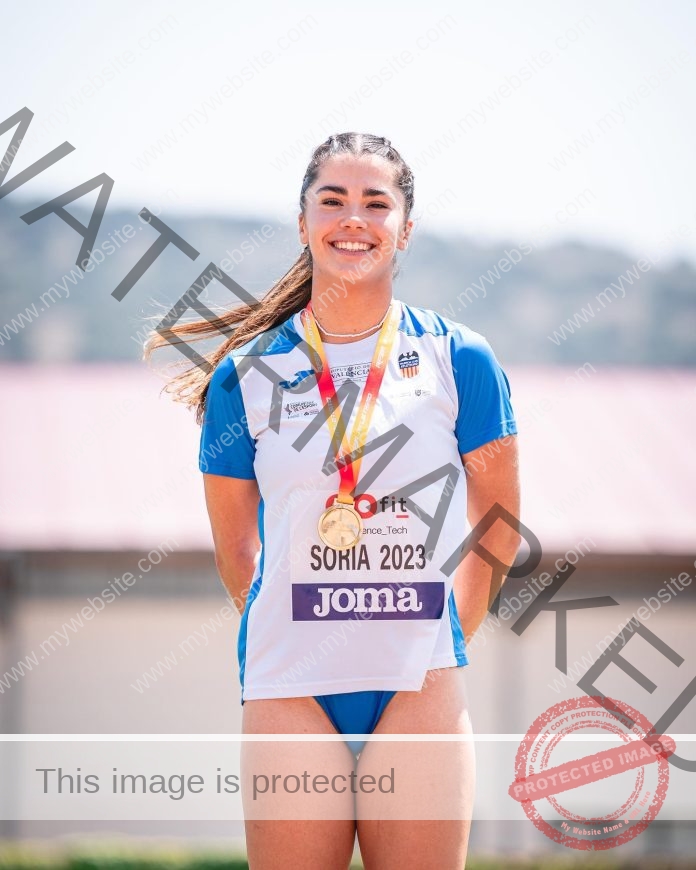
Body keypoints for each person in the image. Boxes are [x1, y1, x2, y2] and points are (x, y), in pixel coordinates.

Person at [145, 132, 521, 869]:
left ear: (404, 228)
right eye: (334, 200)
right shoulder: (244, 377)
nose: (355, 217)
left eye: (376, 202)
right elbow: (235, 553)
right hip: (291, 688)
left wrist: (445, 638)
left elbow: (498, 527)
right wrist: (287, 625)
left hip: (420, 689)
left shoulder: (460, 358)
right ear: (304, 220)